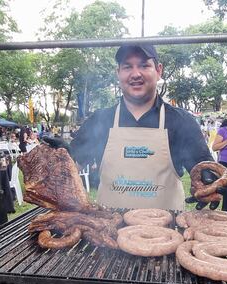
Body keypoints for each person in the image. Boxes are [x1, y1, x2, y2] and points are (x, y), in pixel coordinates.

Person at [62, 44, 218, 211]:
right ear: (118, 73)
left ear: (158, 71)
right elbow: (70, 167)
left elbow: (204, 172)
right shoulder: (99, 120)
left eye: (144, 65)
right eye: (128, 67)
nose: (136, 74)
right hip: (108, 232)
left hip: (166, 231)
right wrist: (61, 155)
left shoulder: (181, 121)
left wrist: (207, 184)